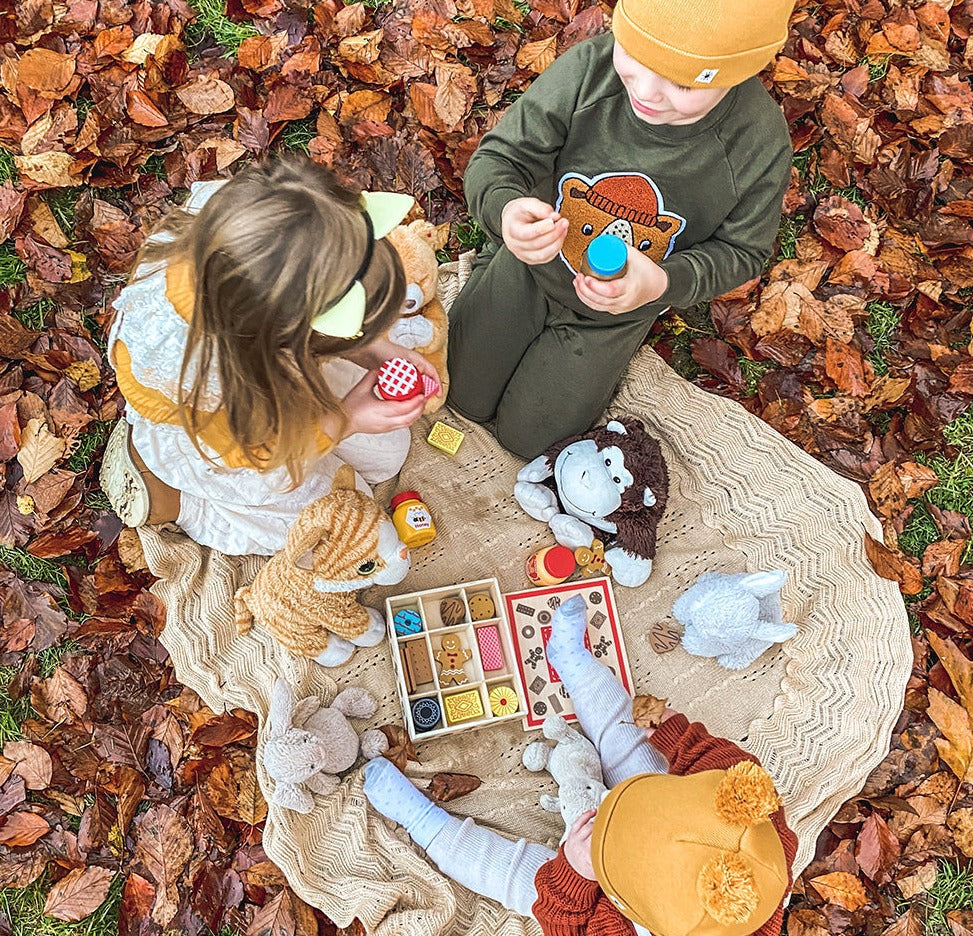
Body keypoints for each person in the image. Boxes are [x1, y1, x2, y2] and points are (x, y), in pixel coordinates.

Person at [446, 0, 796, 458]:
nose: (648, 91)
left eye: (683, 82)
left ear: (736, 72)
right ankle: (496, 270)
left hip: (613, 315)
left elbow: (743, 251)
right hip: (529, 269)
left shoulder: (757, 142)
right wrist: (506, 211)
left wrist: (664, 282)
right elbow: (500, 158)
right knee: (457, 391)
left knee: (530, 440)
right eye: (635, 55)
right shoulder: (589, 71)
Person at [364, 595, 797, 936]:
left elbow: (564, 923)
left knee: (510, 876)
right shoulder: (755, 816)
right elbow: (718, 760)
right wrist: (671, 730)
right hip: (659, 801)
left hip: (593, 899)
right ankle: (572, 661)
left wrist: (575, 870)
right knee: (626, 737)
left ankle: (420, 819)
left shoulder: (627, 928)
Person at [100, 157, 439, 556]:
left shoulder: (264, 234)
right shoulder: (215, 376)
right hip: (227, 437)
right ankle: (178, 499)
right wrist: (346, 419)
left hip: (273, 370)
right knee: (330, 525)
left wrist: (371, 349)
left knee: (388, 455)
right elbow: (266, 459)